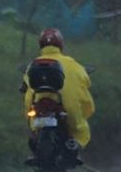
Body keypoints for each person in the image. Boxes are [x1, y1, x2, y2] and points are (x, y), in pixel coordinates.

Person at [20, 27, 95, 165]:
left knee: (33, 126)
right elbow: (85, 95)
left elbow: (27, 94)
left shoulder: (33, 65)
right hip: (69, 112)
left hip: (37, 112)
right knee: (81, 130)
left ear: (41, 45)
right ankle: (74, 146)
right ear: (61, 45)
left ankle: (35, 149)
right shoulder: (74, 65)